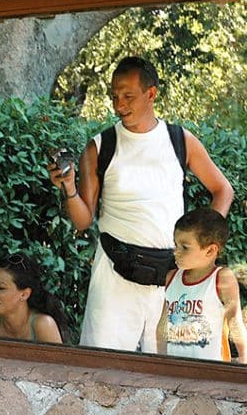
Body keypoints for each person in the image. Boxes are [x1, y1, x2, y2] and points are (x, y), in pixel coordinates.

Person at [47, 56, 233, 352]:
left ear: (151, 94)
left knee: (171, 377)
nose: (119, 105)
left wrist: (202, 242)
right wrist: (69, 188)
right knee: (102, 373)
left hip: (171, 280)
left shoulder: (179, 140)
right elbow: (83, 221)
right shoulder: (100, 146)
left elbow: (223, 189)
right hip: (114, 279)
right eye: (115, 97)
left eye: (128, 96)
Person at [156, 207, 246, 364]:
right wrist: (163, 361)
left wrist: (244, 361)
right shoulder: (171, 278)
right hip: (176, 369)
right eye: (176, 245)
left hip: (211, 373)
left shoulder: (221, 278)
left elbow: (234, 322)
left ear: (210, 251)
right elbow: (163, 327)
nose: (176, 252)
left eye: (184, 247)